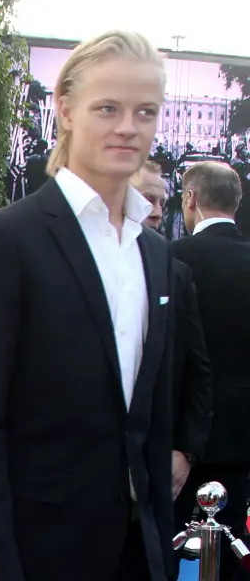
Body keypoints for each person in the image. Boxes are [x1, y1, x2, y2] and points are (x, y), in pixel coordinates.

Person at [0, 31, 175, 581]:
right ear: (65, 109)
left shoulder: (156, 254)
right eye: (108, 108)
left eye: (144, 111)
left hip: (138, 552)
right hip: (36, 554)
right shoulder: (7, 239)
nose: (128, 127)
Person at [172, 161, 250, 581]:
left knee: (175, 547)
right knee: (233, 544)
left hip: (177, 438)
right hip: (241, 436)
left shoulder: (170, 259)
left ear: (190, 199)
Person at [131, 162, 212, 500]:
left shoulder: (175, 273)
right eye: (147, 199)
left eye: (163, 202)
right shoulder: (71, 267)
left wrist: (185, 453)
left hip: (155, 471)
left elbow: (196, 369)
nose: (156, 212)